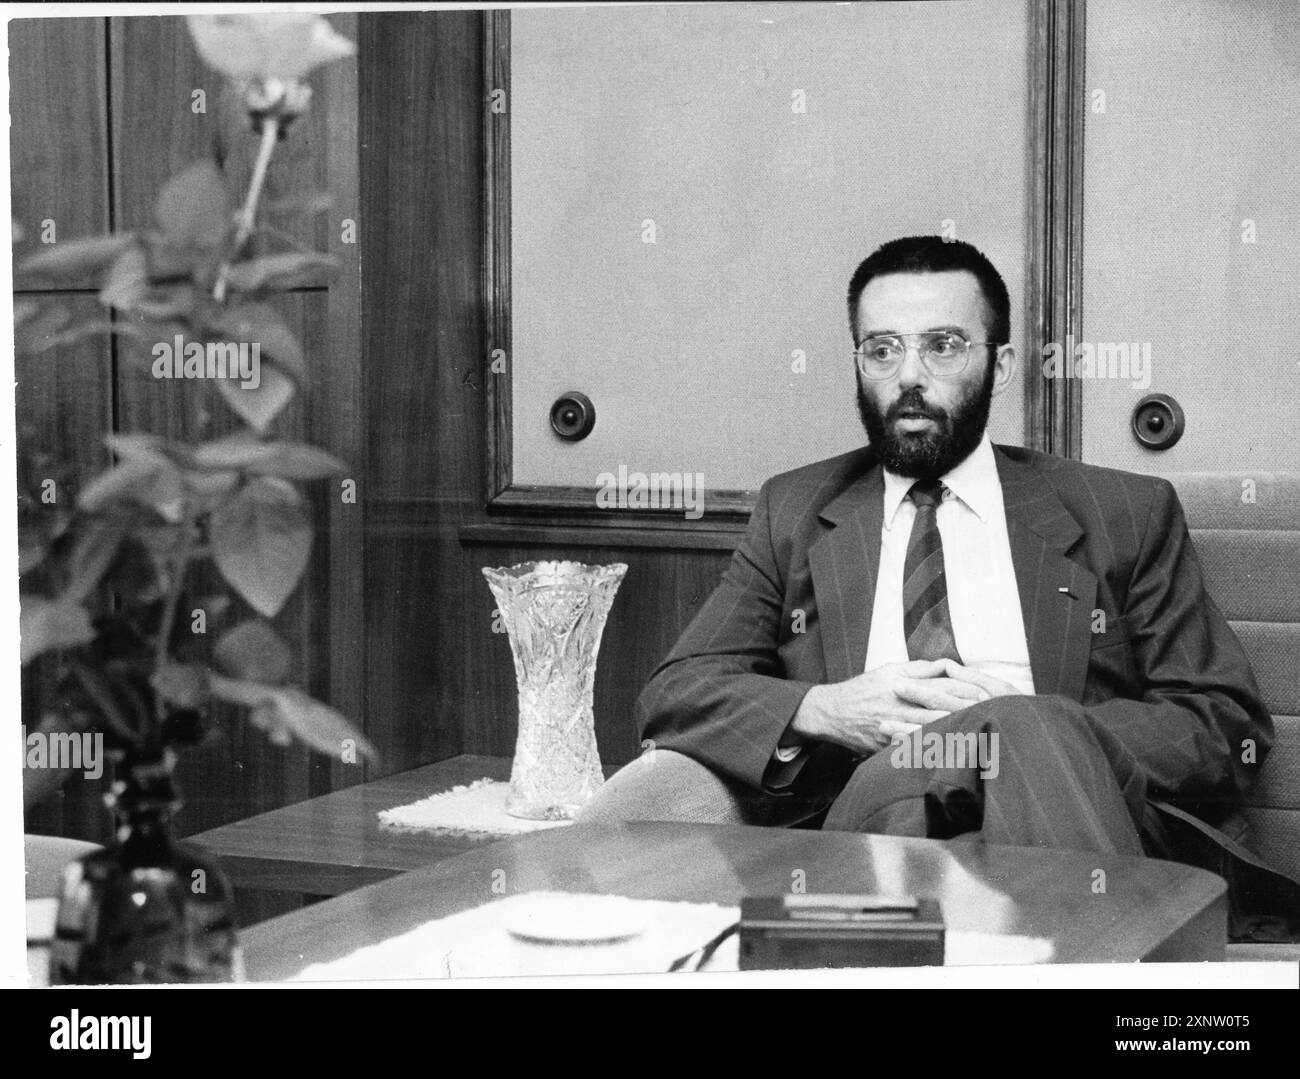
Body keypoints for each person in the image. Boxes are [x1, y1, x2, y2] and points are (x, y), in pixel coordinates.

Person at [578, 235, 1297, 934]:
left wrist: (1030, 728)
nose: (909, 375)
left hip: (1084, 815)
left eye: (943, 345)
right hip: (876, 808)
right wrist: (826, 708)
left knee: (1023, 726)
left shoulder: (1123, 513)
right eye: (882, 349)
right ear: (857, 362)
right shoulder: (795, 511)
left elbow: (1224, 721)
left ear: (1002, 362)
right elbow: (677, 691)